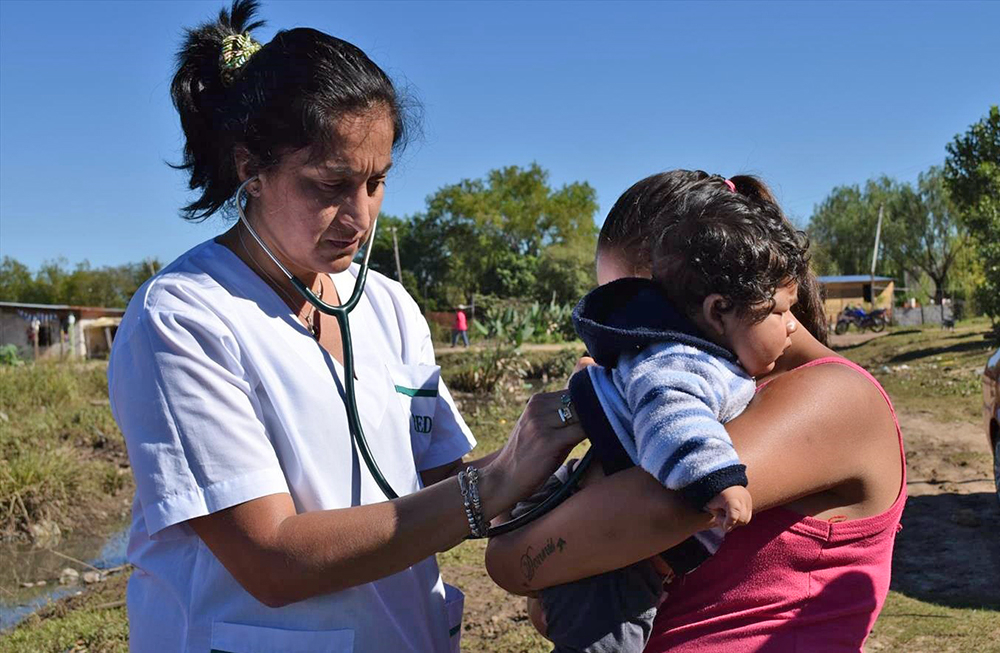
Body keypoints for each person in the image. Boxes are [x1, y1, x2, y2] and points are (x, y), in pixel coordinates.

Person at [107, 3, 583, 651]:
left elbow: (440, 478)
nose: (359, 217)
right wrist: (494, 482)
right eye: (331, 184)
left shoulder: (387, 305)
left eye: (376, 182)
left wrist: (559, 479)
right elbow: (272, 558)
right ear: (251, 169)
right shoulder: (186, 317)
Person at [486, 171, 906, 652]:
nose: (629, 341)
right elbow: (556, 604)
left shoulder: (832, 400)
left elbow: (516, 562)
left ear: (708, 300)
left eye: (636, 310)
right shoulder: (713, 399)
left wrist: (522, 508)